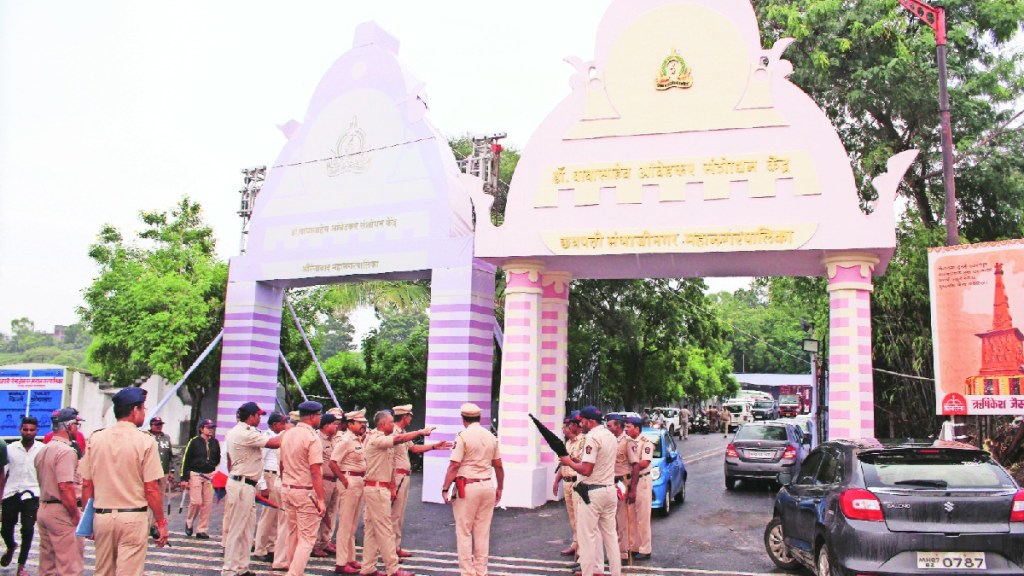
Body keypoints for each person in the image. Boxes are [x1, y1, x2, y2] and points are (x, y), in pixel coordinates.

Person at [80, 387, 170, 575]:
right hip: (132, 516)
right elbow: (151, 488)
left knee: (103, 571)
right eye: (143, 408)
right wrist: (160, 522)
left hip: (102, 516)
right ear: (135, 410)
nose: (145, 412)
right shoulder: (145, 441)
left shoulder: (96, 438)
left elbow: (87, 483)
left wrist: (88, 520)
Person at [360, 410, 433, 576]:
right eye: (391, 422)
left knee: (372, 530)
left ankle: (368, 567)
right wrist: (421, 432)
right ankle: (392, 568)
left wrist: (392, 486)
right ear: (383, 424)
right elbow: (399, 439)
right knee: (385, 529)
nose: (393, 425)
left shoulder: (383, 440)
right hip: (376, 488)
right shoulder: (377, 438)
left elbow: (390, 464)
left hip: (379, 487)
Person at [558, 406, 621, 576]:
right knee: (611, 538)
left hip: (592, 492)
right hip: (608, 489)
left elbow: (586, 470)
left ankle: (589, 572)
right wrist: (576, 460)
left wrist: (568, 462)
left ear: (590, 421)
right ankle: (615, 572)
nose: (580, 424)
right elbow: (597, 462)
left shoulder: (592, 437)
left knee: (587, 538)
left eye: (582, 421)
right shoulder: (610, 436)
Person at [222, 401, 283, 576]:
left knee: (246, 529)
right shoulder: (244, 433)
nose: (259, 419)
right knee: (237, 529)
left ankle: (241, 567)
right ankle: (230, 570)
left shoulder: (242, 431)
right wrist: (293, 431)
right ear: (250, 416)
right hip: (242, 484)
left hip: (246, 484)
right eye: (257, 415)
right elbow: (273, 443)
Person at [442, 402, 502, 576]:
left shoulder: (462, 437)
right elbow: (498, 466)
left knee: (464, 531)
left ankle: (468, 573)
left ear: (463, 419)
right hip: (487, 485)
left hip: (467, 487)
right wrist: (500, 488)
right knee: (482, 532)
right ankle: (481, 571)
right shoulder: (491, 437)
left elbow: (454, 465)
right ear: (479, 418)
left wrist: (445, 488)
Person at [392, 404, 451, 558]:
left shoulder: (403, 432)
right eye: (410, 416)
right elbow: (400, 441)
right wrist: (420, 432)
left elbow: (414, 449)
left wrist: (434, 447)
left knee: (399, 515)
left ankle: (395, 547)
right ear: (405, 416)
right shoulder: (394, 432)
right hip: (396, 477)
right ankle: (390, 550)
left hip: (403, 476)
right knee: (393, 515)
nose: (411, 418)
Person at [275, 401, 327, 576]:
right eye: (319, 415)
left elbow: (282, 465)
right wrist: (320, 499)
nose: (320, 418)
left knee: (293, 535)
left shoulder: (288, 434)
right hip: (304, 491)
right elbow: (315, 472)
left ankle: (293, 569)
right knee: (307, 539)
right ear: (312, 416)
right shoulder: (312, 438)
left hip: (288, 488)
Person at [34, 407, 84, 576]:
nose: (77, 428)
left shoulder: (44, 449)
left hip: (44, 507)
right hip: (62, 510)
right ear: (69, 426)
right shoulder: (66, 451)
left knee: (47, 566)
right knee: (69, 566)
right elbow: (65, 486)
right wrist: (76, 515)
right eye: (77, 424)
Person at [2, 416, 44, 575]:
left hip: (33, 493)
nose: (28, 433)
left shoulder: (41, 449)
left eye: (31, 430)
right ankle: (11, 545)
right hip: (11, 492)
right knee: (5, 528)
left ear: (37, 431)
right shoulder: (11, 448)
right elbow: (3, 471)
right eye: (25, 429)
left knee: (27, 529)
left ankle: (21, 565)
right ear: (20, 430)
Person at [330, 409, 368, 574]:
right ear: (351, 424)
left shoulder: (357, 439)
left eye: (364, 423)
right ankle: (341, 562)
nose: (363, 426)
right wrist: (343, 479)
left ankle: (350, 558)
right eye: (360, 423)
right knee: (345, 524)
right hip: (350, 480)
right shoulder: (345, 440)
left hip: (358, 481)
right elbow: (333, 462)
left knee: (352, 524)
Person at [253, 411, 290, 563]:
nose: (284, 425)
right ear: (274, 424)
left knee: (276, 515)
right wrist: (262, 485)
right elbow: (260, 462)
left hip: (277, 476)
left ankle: (271, 547)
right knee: (267, 516)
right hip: (269, 475)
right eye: (282, 423)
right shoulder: (267, 438)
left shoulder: (280, 437)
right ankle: (260, 548)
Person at [180, 418, 219, 539]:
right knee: (196, 501)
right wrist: (184, 478)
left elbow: (217, 457)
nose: (210, 430)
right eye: (208, 427)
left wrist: (213, 467)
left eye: (212, 427)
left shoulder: (214, 442)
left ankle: (202, 529)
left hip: (209, 475)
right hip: (195, 473)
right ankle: (189, 521)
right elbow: (186, 460)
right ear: (202, 429)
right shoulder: (194, 442)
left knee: (207, 504)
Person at [607, 413, 639, 562]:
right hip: (609, 482)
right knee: (610, 519)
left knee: (621, 519)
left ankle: (622, 553)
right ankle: (613, 551)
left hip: (622, 482)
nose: (607, 428)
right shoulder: (609, 441)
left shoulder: (628, 442)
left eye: (610, 425)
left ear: (618, 426)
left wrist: (632, 489)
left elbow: (636, 466)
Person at [553, 410, 584, 558]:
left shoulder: (583, 441)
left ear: (574, 426)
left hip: (577, 481)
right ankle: (575, 543)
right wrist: (556, 480)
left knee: (579, 517)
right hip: (567, 480)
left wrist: (570, 460)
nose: (565, 429)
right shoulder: (568, 442)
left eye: (566, 426)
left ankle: (581, 550)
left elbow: (581, 463)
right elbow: (564, 464)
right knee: (572, 516)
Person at [313, 413, 342, 558]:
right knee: (320, 513)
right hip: (323, 480)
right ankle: (315, 544)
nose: (336, 427)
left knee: (330, 514)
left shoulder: (333, 440)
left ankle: (325, 541)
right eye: (334, 424)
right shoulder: (317, 439)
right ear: (326, 426)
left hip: (333, 480)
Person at [624, 416, 653, 561]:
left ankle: (645, 548)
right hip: (628, 480)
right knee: (630, 516)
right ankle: (633, 546)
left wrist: (628, 466)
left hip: (642, 480)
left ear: (637, 428)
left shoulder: (646, 443)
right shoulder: (627, 442)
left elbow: (644, 462)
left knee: (643, 516)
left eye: (628, 427)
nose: (626, 429)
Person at [147, 416, 174, 537]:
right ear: (151, 425)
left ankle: (155, 524)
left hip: (163, 471)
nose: (159, 426)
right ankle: (148, 523)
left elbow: (170, 455)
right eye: (156, 424)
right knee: (149, 497)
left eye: (160, 424)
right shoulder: (146, 436)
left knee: (160, 498)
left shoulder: (166, 438)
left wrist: (172, 470)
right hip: (149, 471)